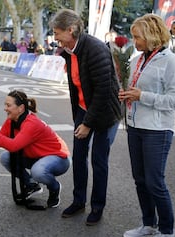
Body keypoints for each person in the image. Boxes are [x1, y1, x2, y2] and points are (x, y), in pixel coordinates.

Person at [49, 9, 122, 225]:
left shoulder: (95, 49)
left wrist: (87, 124)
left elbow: (102, 92)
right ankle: (78, 201)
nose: (55, 38)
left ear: (71, 30)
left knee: (99, 161)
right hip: (85, 108)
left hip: (105, 111)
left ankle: (97, 207)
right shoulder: (68, 51)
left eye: (57, 33)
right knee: (79, 156)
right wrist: (80, 118)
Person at [118, 14, 175, 237]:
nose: (134, 41)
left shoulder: (170, 61)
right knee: (140, 180)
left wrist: (142, 96)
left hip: (157, 129)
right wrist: (127, 95)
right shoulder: (137, 59)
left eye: (138, 37)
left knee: (155, 182)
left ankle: (167, 232)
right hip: (136, 126)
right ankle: (148, 224)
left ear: (152, 35)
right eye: (134, 36)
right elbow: (136, 88)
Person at [0, 90, 70, 208]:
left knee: (38, 172)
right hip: (36, 157)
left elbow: (13, 146)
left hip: (59, 158)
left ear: (21, 108)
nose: (5, 108)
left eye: (8, 105)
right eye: (5, 105)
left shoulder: (31, 123)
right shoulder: (12, 120)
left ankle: (55, 188)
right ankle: (31, 185)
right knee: (5, 157)